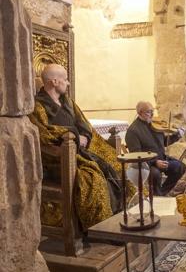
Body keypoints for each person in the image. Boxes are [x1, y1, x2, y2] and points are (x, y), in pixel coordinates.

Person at [28, 64, 129, 229]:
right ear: (54, 81)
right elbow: (44, 133)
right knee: (93, 179)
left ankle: (119, 215)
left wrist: (85, 136)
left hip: (80, 152)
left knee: (116, 164)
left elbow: (84, 124)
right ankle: (98, 228)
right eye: (65, 79)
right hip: (57, 160)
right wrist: (74, 135)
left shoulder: (67, 101)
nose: (68, 83)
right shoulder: (37, 106)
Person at [124, 102, 186, 196]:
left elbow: (164, 142)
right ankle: (157, 195)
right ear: (140, 113)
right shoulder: (133, 131)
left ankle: (161, 193)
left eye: (152, 111)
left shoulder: (155, 125)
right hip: (147, 164)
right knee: (155, 174)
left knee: (180, 167)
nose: (152, 115)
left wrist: (177, 135)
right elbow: (136, 155)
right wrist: (155, 162)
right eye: (149, 112)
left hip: (162, 158)